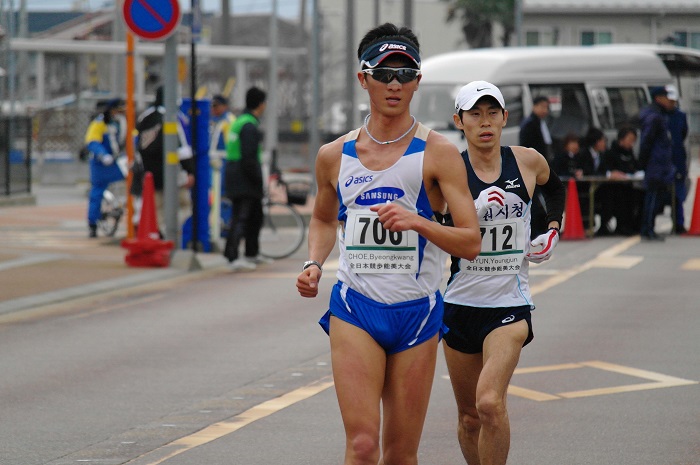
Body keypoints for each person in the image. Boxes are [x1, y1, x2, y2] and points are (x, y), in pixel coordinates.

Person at [295, 23, 482, 465]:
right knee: (362, 446)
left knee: (400, 453)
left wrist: (418, 222)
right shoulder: (333, 156)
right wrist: (315, 263)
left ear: (418, 80)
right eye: (383, 73)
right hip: (356, 308)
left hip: (416, 313)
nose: (394, 84)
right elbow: (323, 218)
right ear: (364, 79)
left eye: (405, 73)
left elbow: (470, 242)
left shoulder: (438, 154)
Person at [443, 80, 565, 465]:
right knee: (468, 417)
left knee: (489, 403)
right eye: (474, 114)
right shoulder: (449, 170)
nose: (485, 122)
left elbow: (554, 185)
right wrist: (466, 217)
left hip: (509, 306)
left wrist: (552, 228)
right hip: (459, 303)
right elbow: (427, 226)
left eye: (492, 113)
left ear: (504, 118)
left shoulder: (527, 160)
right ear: (459, 121)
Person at [223, 87, 270, 271]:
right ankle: (232, 257)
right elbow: (249, 157)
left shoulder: (240, 121)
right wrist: (258, 180)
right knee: (241, 218)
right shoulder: (249, 125)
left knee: (254, 216)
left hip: (236, 174)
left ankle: (252, 253)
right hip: (244, 178)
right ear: (260, 104)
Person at [135, 86, 194, 234]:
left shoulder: (144, 117)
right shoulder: (173, 118)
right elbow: (181, 149)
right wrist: (190, 171)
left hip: (149, 174)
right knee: (185, 206)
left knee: (157, 209)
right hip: (172, 174)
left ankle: (160, 233)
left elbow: (137, 145)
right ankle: (170, 232)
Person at [84, 98, 126, 238]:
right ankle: (92, 224)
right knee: (97, 193)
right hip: (100, 164)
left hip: (116, 161)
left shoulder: (122, 122)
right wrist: (102, 155)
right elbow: (92, 141)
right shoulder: (99, 123)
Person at [639, 85, 676, 241]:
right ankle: (647, 229)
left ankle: (650, 228)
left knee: (656, 197)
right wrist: (643, 162)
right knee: (653, 197)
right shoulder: (654, 117)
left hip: (659, 164)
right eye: (666, 97)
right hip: (656, 165)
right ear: (658, 98)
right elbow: (646, 142)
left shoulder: (658, 114)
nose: (669, 101)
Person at [602, 126, 644, 235]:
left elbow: (635, 167)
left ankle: (635, 225)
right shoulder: (610, 153)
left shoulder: (629, 153)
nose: (632, 143)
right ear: (622, 139)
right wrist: (612, 173)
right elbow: (604, 169)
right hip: (613, 187)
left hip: (629, 185)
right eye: (630, 140)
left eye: (633, 141)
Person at [577, 127, 610, 235]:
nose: (604, 143)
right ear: (596, 142)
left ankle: (604, 225)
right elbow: (587, 171)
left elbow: (604, 169)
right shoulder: (583, 153)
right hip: (584, 187)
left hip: (598, 186)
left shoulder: (602, 154)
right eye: (602, 140)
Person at [665, 85, 689, 234]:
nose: (671, 103)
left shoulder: (680, 116)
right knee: (661, 192)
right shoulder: (659, 116)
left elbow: (683, 134)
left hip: (678, 157)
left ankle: (678, 223)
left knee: (678, 194)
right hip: (663, 159)